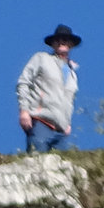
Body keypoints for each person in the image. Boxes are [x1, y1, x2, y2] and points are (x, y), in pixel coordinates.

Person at [16, 24, 81, 153]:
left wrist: (67, 124)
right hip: (41, 121)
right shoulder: (41, 58)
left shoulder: (72, 74)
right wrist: (24, 111)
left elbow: (70, 100)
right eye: (57, 40)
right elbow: (24, 82)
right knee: (37, 159)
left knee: (61, 163)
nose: (61, 42)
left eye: (65, 39)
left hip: (61, 131)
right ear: (52, 44)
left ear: (71, 44)